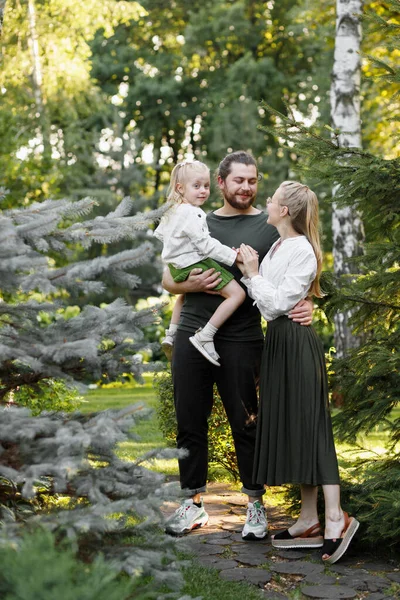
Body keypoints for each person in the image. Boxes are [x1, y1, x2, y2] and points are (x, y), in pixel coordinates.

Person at [161, 151, 313, 539]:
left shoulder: (270, 224)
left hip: (244, 339)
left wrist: (308, 300)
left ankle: (255, 506)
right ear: (221, 182)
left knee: (247, 423)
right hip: (192, 333)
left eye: (253, 180)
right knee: (189, 422)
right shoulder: (199, 220)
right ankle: (192, 504)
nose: (246, 187)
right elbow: (167, 277)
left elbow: (300, 261)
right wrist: (188, 284)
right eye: (239, 180)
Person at [238, 181, 359, 564]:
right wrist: (254, 275)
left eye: (271, 199)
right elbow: (268, 304)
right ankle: (308, 518)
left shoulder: (302, 250)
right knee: (295, 426)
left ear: (285, 211)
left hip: (296, 344)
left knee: (312, 427)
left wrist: (254, 274)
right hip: (278, 345)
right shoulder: (276, 246)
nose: (266, 203)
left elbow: (274, 305)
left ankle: (336, 517)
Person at [154, 160, 245, 366]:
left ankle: (171, 334)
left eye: (205, 186)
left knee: (184, 296)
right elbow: (206, 245)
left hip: (176, 267)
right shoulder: (194, 212)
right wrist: (234, 257)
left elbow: (162, 235)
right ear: (180, 188)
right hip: (194, 263)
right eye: (196, 186)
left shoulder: (171, 210)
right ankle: (206, 335)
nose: (203, 191)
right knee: (237, 294)